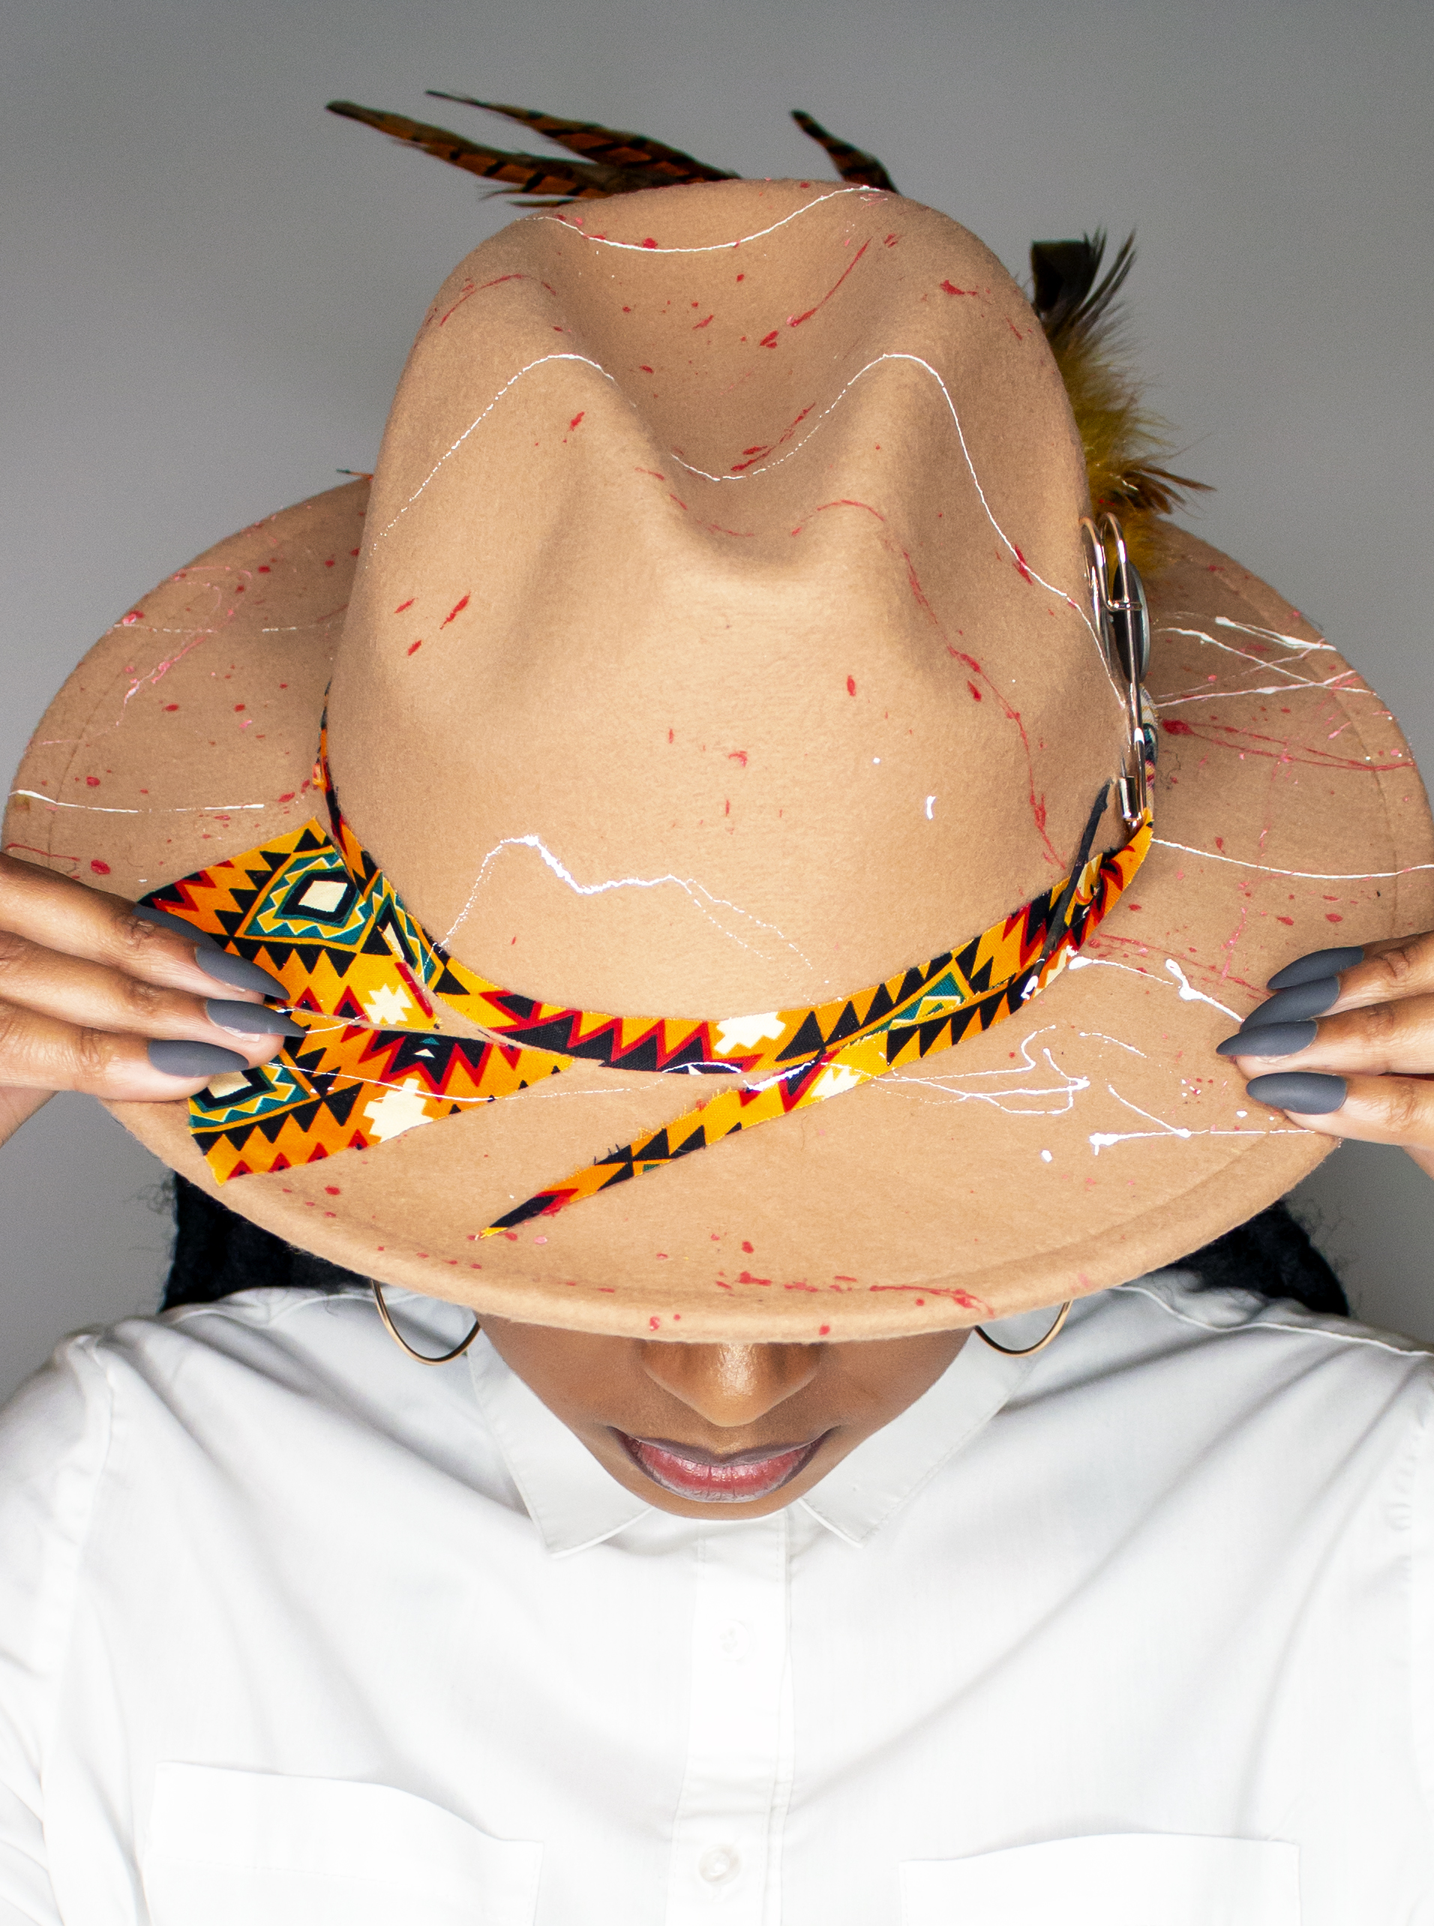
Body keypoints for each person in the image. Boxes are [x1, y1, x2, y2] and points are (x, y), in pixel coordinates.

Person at [2, 104, 1434, 1925]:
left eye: (852, 1248)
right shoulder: (117, 1516)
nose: (731, 1380)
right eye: (618, 1251)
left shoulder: (1370, 1529)